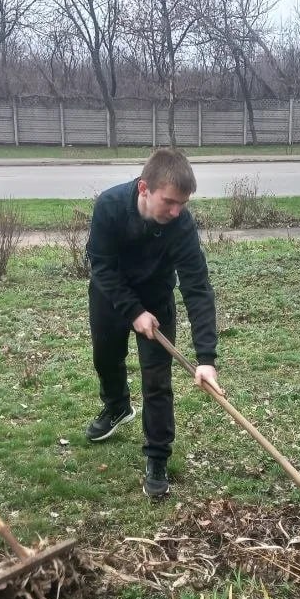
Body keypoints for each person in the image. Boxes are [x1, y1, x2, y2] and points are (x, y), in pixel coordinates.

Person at [84, 148, 222, 498]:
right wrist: (133, 311)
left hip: (157, 301)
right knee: (106, 359)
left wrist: (206, 358)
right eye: (169, 202)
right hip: (110, 295)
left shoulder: (181, 225)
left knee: (157, 381)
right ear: (144, 188)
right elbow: (100, 265)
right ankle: (117, 406)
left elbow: (197, 287)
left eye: (183, 204)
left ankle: (157, 457)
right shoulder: (110, 206)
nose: (176, 211)